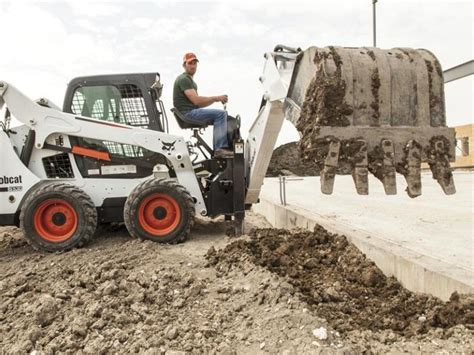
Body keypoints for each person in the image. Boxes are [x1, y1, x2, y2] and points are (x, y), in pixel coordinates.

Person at [173, 52, 233, 157]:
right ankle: (220, 149)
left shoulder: (190, 82)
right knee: (221, 114)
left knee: (223, 117)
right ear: (184, 65)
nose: (193, 66)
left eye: (194, 63)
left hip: (190, 111)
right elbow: (197, 101)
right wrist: (216, 98)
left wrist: (215, 100)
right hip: (187, 114)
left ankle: (219, 150)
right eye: (190, 63)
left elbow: (199, 104)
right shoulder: (184, 79)